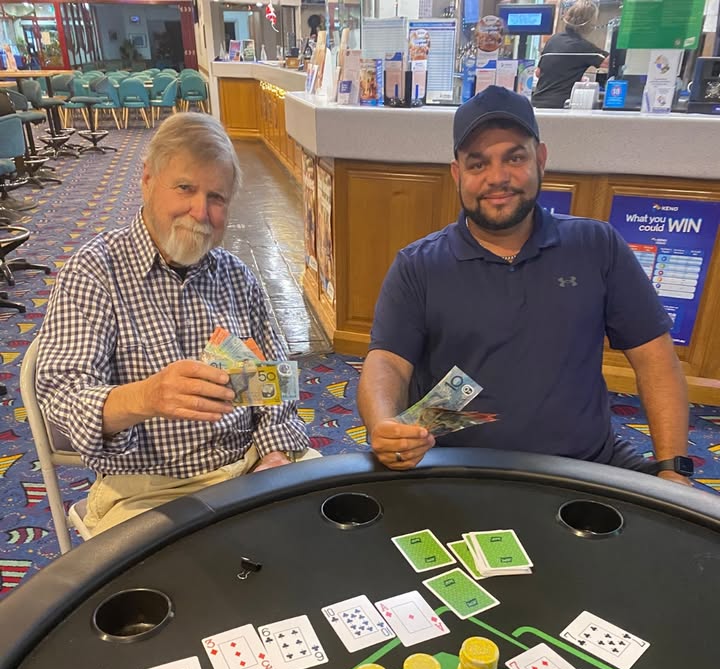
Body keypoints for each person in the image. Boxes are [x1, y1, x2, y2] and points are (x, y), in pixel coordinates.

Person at [357, 86, 693, 487]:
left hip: (586, 461)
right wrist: (384, 425)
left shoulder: (597, 245)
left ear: (541, 159)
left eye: (514, 158)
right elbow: (388, 363)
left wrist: (673, 466)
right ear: (457, 174)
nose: (497, 178)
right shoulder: (418, 265)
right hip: (456, 467)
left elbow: (655, 358)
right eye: (478, 164)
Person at [36, 112, 314, 535]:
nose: (200, 212)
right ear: (147, 180)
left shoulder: (237, 276)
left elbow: (278, 388)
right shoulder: (94, 273)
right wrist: (145, 396)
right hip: (145, 491)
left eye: (216, 197)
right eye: (185, 188)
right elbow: (61, 403)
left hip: (247, 465)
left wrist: (273, 455)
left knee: (324, 534)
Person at [532, 0, 608, 109]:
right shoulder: (583, 47)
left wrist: (571, 77)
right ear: (589, 23)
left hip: (537, 103)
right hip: (560, 106)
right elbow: (611, 62)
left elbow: (539, 73)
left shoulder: (553, 40)